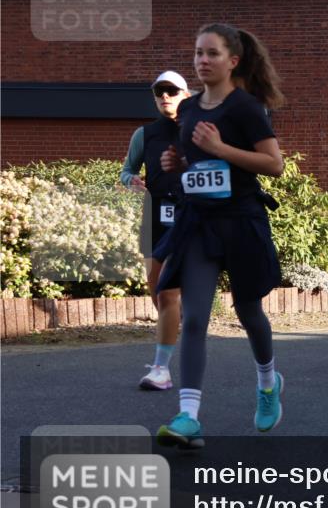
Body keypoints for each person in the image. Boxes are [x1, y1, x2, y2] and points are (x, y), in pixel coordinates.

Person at [154, 23, 286, 449]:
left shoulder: (246, 108)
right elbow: (196, 166)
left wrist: (220, 149)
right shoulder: (188, 110)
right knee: (194, 318)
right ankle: (188, 416)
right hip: (199, 225)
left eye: (211, 53)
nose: (202, 61)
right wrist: (178, 164)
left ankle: (268, 383)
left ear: (233, 61)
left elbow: (273, 164)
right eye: (197, 53)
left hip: (241, 223)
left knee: (249, 313)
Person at [120, 71, 190, 390]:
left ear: (185, 94)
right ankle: (174, 326)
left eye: (171, 91)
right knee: (155, 286)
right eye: (159, 91)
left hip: (190, 213)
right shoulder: (144, 135)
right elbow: (127, 170)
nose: (164, 96)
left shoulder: (198, 130)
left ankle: (162, 367)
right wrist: (131, 181)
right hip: (154, 212)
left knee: (169, 290)